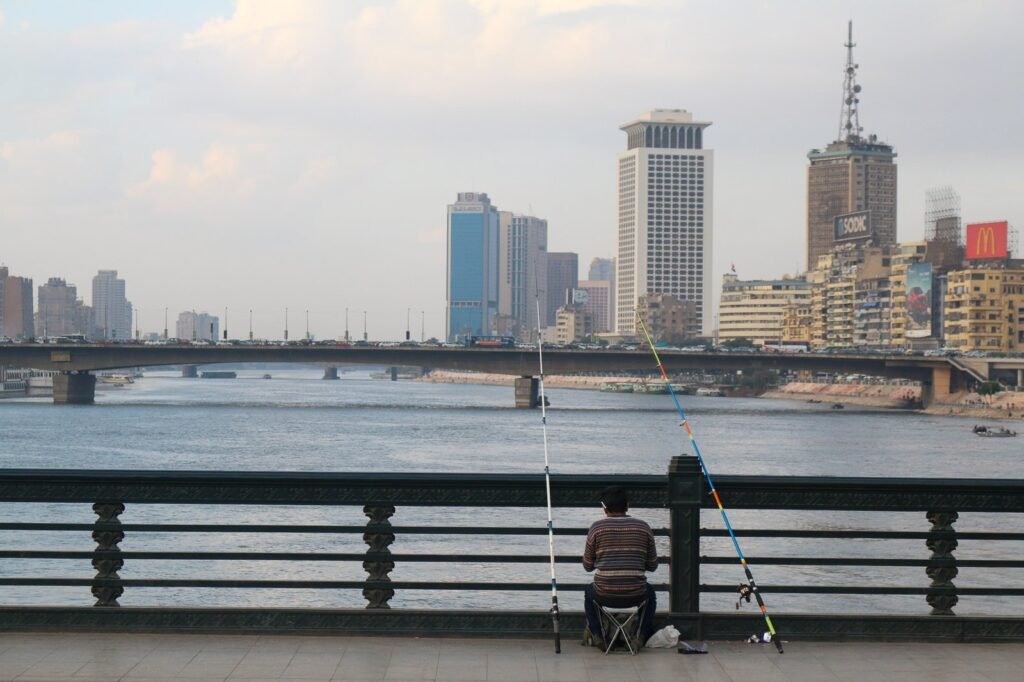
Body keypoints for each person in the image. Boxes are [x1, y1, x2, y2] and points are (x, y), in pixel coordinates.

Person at [582, 486, 658, 650]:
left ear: (605, 508)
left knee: (589, 592)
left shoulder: (596, 528)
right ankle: (640, 636)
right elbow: (653, 565)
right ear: (627, 505)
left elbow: (587, 566)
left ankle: (598, 635)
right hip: (637, 593)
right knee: (650, 594)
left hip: (603, 593)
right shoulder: (643, 527)